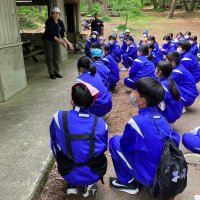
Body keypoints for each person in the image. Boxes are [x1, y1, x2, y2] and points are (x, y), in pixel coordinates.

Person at [109, 77, 180, 194]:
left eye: (136, 91)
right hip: (167, 171)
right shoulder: (163, 119)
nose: (133, 93)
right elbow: (175, 141)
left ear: (141, 101)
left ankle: (128, 183)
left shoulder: (136, 122)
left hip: (152, 178)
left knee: (115, 142)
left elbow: (125, 146)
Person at [50, 82, 108, 197]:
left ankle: (71, 183)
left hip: (67, 170)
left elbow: (54, 140)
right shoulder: (101, 123)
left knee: (56, 142)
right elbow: (103, 147)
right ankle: (89, 183)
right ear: (92, 102)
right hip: (94, 172)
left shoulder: (59, 117)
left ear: (72, 100)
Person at [43, 7, 74, 79]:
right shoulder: (48, 21)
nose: (54, 15)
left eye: (56, 13)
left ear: (59, 14)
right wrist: (61, 42)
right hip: (48, 41)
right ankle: (51, 73)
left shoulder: (60, 22)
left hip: (56, 41)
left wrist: (68, 43)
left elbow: (63, 35)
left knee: (56, 57)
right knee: (50, 58)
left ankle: (56, 72)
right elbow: (52, 35)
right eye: (53, 13)